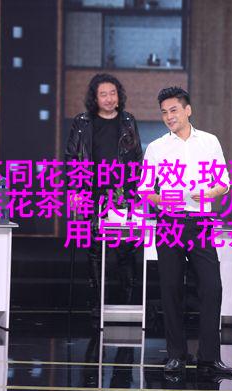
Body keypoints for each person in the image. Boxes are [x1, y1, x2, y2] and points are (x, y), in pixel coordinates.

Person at [138, 87, 232, 377]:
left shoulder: (209, 141)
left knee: (211, 287)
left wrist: (206, 193)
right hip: (169, 223)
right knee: (171, 289)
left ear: (187, 110)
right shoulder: (156, 148)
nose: (169, 117)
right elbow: (145, 189)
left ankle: (209, 357)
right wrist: (162, 199)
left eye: (174, 110)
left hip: (200, 222)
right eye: (164, 112)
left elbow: (224, 183)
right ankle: (176, 355)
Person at [65, 73, 142, 315]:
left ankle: (125, 305)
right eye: (103, 94)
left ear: (119, 96)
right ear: (95, 98)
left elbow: (136, 159)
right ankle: (98, 305)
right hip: (92, 192)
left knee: (125, 249)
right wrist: (76, 189)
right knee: (95, 249)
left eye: (113, 93)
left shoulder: (128, 121)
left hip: (121, 194)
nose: (109, 99)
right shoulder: (82, 122)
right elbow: (72, 158)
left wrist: (135, 194)